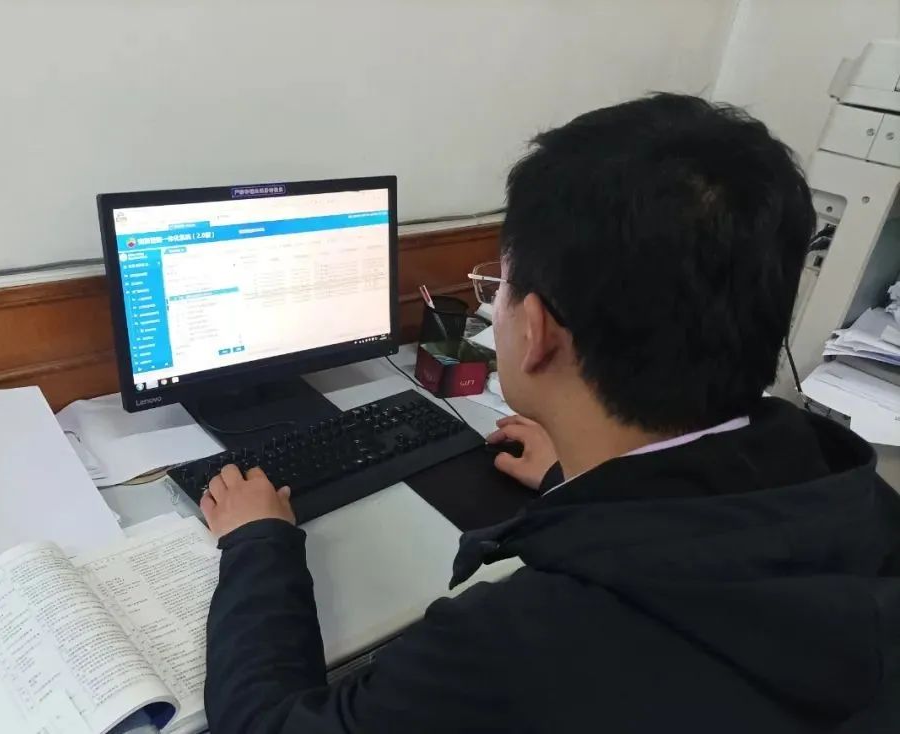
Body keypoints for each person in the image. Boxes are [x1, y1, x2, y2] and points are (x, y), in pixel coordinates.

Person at [196, 94, 900, 733]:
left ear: (536, 331)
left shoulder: (513, 647)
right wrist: (576, 478)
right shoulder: (852, 493)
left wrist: (258, 542)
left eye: (497, 286)